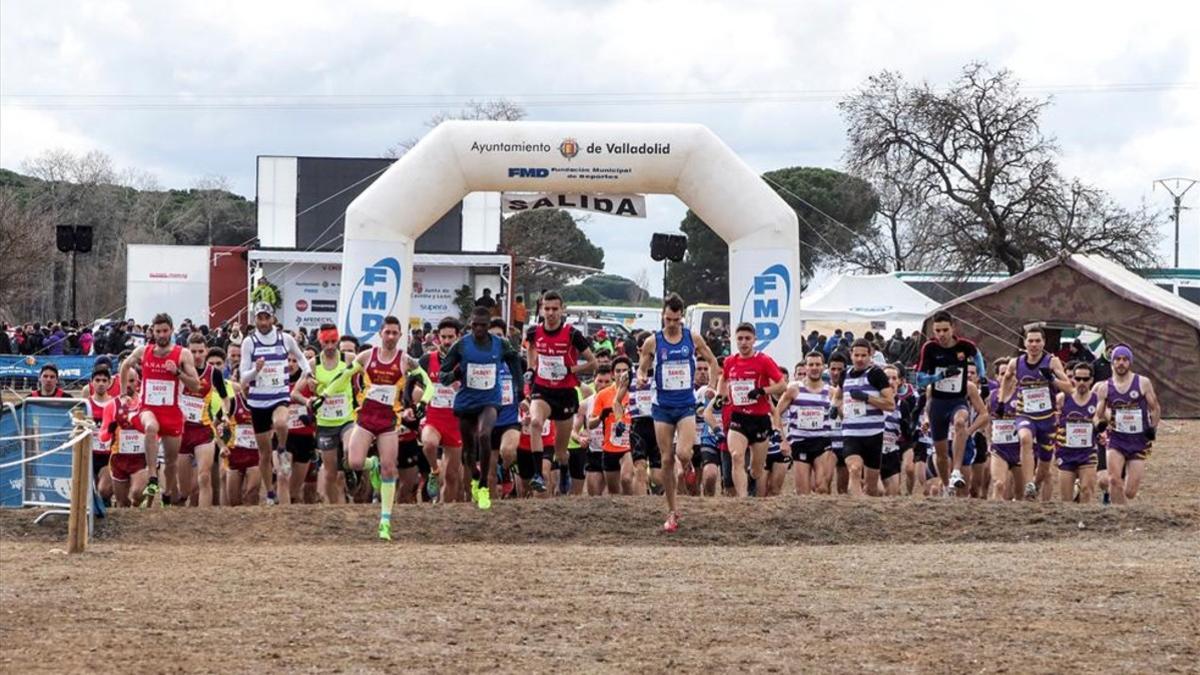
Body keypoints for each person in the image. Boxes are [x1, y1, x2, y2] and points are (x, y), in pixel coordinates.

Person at [633, 294, 720, 531]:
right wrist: (641, 378)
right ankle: (672, 512)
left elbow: (713, 362)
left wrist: (712, 385)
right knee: (666, 460)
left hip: (685, 405)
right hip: (661, 406)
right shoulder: (653, 341)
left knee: (682, 452)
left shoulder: (692, 337)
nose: (671, 324)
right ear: (663, 315)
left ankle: (689, 464)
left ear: (682, 317)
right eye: (668, 319)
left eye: (676, 319)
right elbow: (642, 368)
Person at [438, 307, 524, 510]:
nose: (478, 328)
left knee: (485, 434)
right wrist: (456, 375)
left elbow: (515, 362)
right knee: (468, 451)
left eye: (482, 325)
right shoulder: (461, 345)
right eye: (474, 325)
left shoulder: (500, 345)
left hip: (490, 400)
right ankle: (475, 476)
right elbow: (443, 374)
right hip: (467, 401)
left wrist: (519, 388)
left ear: (488, 326)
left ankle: (484, 485)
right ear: (470, 325)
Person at [119, 313, 202, 506]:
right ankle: (152, 474)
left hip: (172, 413)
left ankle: (166, 492)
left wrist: (178, 372)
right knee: (150, 428)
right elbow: (124, 366)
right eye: (158, 331)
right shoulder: (143, 351)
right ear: (152, 332)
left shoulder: (182, 354)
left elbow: (196, 385)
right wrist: (123, 394)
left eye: (165, 331)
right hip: (148, 408)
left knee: (172, 463)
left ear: (171, 331)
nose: (162, 335)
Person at [340, 315, 410, 539]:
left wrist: (419, 402)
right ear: (380, 334)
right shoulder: (366, 356)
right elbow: (344, 375)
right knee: (355, 462)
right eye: (387, 332)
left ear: (400, 335)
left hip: (389, 421)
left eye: (395, 333)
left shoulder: (405, 360)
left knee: (391, 468)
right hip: (366, 419)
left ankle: (385, 522)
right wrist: (324, 394)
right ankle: (374, 464)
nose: (390, 336)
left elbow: (424, 381)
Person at [238, 302, 312, 505]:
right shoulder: (249, 342)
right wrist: (256, 370)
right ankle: (269, 492)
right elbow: (242, 377)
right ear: (255, 320)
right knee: (263, 454)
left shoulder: (285, 339)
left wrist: (308, 372)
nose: (263, 322)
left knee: (281, 424)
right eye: (259, 318)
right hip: (258, 401)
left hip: (279, 395)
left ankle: (281, 448)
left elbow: (301, 357)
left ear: (273, 319)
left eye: (266, 318)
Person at [525, 291, 597, 491]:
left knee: (561, 450)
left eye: (555, 309)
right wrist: (531, 368)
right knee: (536, 423)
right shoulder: (533, 332)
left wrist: (571, 369)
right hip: (542, 390)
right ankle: (538, 474)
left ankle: (563, 469)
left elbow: (593, 363)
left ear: (562, 310)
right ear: (541, 310)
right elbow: (531, 348)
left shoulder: (572, 334)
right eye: (546, 309)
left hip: (565, 394)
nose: (550, 313)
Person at [914, 311, 986, 493]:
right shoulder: (929, 348)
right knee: (941, 454)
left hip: (957, 400)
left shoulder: (964, 346)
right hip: (938, 403)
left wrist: (982, 374)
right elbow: (920, 380)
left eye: (945, 330)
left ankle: (956, 471)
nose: (941, 335)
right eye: (938, 330)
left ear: (953, 328)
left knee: (961, 422)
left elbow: (977, 355)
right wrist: (941, 375)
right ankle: (947, 486)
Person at [998, 327, 1071, 501]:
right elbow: (1007, 378)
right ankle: (1029, 482)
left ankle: (1035, 485)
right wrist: (1001, 401)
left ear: (1044, 343)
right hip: (1025, 414)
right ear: (1024, 343)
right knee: (1024, 439)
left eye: (1038, 341)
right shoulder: (1016, 363)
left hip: (1047, 418)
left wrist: (1052, 379)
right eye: (1030, 341)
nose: (1034, 345)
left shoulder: (1052, 362)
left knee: (1045, 464)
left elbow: (1069, 388)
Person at [720, 322, 786, 498]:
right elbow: (724, 380)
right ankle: (743, 499)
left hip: (759, 419)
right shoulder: (730, 361)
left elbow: (782, 385)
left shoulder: (763, 360)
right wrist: (722, 396)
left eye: (747, 338)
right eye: (740, 339)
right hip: (738, 417)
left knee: (756, 470)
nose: (743, 342)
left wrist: (762, 391)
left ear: (754, 340)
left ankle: (752, 476)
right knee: (736, 456)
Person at [1092, 345, 1159, 505]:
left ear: (1130, 362)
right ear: (1112, 362)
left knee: (1130, 492)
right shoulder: (1105, 387)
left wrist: (1153, 428)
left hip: (1138, 440)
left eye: (1125, 359)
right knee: (1114, 480)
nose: (1121, 363)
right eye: (1117, 359)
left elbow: (1155, 407)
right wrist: (1099, 426)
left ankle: (1122, 505)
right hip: (1116, 439)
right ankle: (1119, 516)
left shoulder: (1142, 382)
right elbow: (1097, 414)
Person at [830, 339, 896, 497]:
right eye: (856, 355)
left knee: (872, 488)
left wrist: (867, 398)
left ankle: (867, 504)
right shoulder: (845, 375)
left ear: (870, 355)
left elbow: (890, 404)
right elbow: (838, 396)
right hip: (851, 434)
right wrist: (833, 407)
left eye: (863, 355)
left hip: (873, 434)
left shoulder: (876, 374)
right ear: (850, 355)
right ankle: (857, 507)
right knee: (854, 469)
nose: (860, 359)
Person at [417, 318, 463, 501]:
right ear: (437, 338)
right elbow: (414, 382)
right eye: (443, 337)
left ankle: (445, 510)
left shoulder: (465, 360)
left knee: (452, 476)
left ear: (458, 337)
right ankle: (434, 471)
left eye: (450, 337)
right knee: (428, 444)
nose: (446, 341)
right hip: (434, 417)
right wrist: (415, 398)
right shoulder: (428, 359)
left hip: (456, 421)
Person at [178, 333, 226, 507]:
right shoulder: (179, 369)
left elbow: (226, 398)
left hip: (203, 429)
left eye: (200, 351)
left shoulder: (214, 373)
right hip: (181, 430)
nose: (197, 356)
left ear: (206, 351)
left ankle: (204, 518)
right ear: (187, 352)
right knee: (183, 489)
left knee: (204, 477)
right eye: (193, 352)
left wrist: (225, 415)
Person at [774, 352, 832, 495]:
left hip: (822, 441)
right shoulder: (794, 389)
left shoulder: (830, 391)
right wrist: (782, 440)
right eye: (811, 364)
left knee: (822, 487)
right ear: (805, 367)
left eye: (817, 365)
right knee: (802, 492)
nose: (814, 368)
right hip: (800, 442)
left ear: (823, 367)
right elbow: (776, 413)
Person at [310, 323, 354, 507]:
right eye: (326, 342)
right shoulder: (314, 364)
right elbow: (302, 391)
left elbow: (368, 372)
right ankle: (335, 507)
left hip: (347, 418)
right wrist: (309, 392)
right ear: (320, 342)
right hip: (326, 422)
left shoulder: (349, 358)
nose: (330, 346)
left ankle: (352, 471)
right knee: (330, 472)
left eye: (333, 341)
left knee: (349, 448)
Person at [99, 368, 151, 507]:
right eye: (126, 380)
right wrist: (110, 428)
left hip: (140, 458)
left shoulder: (145, 404)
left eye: (132, 381)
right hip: (119, 459)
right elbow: (103, 437)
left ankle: (138, 505)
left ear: (138, 383)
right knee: (122, 502)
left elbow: (155, 433)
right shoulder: (112, 405)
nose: (128, 384)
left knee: (137, 493)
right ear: (119, 382)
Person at [1056, 361, 1099, 503]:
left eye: (1085, 379)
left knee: (1086, 491)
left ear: (1091, 380)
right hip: (1066, 452)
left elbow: (1106, 417)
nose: (1082, 382)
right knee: (1066, 500)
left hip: (1087, 453)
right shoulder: (1062, 399)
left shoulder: (1097, 400)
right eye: (1078, 378)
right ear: (1072, 379)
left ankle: (1085, 522)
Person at [590, 357, 633, 496]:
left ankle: (634, 508)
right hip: (609, 446)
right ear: (613, 374)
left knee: (626, 479)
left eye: (625, 371)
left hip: (629, 445)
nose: (622, 374)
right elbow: (591, 424)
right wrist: (601, 415)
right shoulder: (603, 395)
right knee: (614, 491)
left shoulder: (634, 392)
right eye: (618, 371)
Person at [86, 368, 116, 504]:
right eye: (97, 380)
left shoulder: (116, 404)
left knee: (104, 490)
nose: (101, 384)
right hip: (90, 454)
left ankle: (109, 510)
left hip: (108, 455)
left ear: (110, 383)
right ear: (91, 383)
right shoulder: (86, 404)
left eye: (104, 380)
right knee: (90, 491)